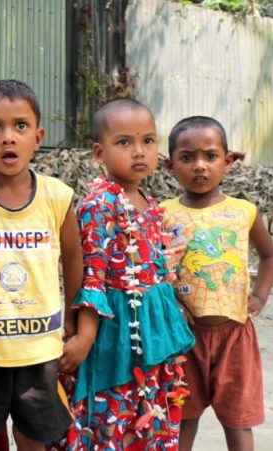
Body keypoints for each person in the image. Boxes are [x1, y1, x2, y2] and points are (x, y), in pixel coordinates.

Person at [0, 80, 82, 451]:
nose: (8, 138)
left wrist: (73, 317)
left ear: (38, 137)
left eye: (20, 126)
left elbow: (73, 259)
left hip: (40, 347)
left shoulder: (57, 197)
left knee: (32, 436)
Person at [57, 99, 195, 450]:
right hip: (114, 333)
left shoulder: (150, 204)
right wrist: (85, 336)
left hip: (152, 330)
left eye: (148, 141)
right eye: (124, 143)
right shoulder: (98, 205)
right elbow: (91, 278)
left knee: (149, 411)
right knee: (109, 415)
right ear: (100, 153)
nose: (139, 152)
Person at [161, 116, 273, 451]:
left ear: (227, 162)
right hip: (184, 338)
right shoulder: (163, 213)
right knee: (181, 418)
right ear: (171, 166)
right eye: (187, 158)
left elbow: (270, 257)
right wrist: (172, 304)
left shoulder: (244, 212)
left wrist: (259, 296)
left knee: (238, 420)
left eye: (210, 156)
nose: (200, 166)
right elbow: (156, 270)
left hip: (235, 335)